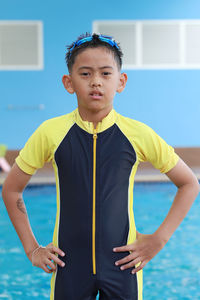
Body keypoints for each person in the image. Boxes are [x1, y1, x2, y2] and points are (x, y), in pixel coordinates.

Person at [2, 33, 199, 300]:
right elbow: (12, 189)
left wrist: (158, 240)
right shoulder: (50, 132)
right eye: (85, 74)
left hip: (123, 266)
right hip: (68, 267)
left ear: (121, 81)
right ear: (68, 82)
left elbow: (189, 183)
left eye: (106, 73)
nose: (96, 81)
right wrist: (32, 249)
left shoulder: (138, 134)